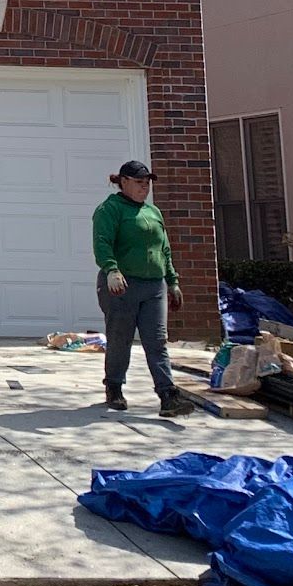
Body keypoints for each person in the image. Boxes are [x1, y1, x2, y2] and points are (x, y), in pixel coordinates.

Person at [92, 160, 195, 418]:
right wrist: (111, 270)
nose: (144, 187)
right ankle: (114, 388)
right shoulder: (110, 209)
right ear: (123, 182)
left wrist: (173, 281)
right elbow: (102, 242)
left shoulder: (153, 212)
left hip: (154, 286)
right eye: (139, 182)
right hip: (122, 286)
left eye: (147, 183)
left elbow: (165, 249)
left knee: (157, 340)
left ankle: (168, 395)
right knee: (120, 339)